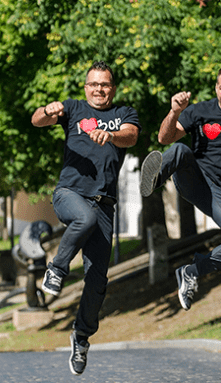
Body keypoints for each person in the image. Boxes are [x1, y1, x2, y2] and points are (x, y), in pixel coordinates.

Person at [31, 61, 140, 375]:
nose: (99, 90)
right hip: (70, 194)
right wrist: (47, 110)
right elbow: (37, 120)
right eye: (94, 84)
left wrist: (111, 134)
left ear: (113, 88)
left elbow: (131, 136)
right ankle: (57, 269)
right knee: (84, 219)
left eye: (105, 84)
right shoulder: (74, 108)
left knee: (97, 282)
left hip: (104, 204)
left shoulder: (125, 115)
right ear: (85, 87)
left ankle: (81, 335)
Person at [139, 64, 221, 312]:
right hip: (194, 179)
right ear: (216, 88)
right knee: (179, 149)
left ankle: (192, 271)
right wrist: (175, 112)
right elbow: (164, 139)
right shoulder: (200, 111)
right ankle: (154, 181)